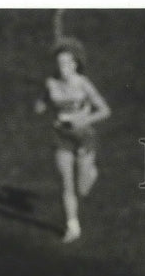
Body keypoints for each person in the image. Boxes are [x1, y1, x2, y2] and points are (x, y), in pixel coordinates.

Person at [34, 38, 110, 243]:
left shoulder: (83, 84)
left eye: (67, 63)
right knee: (65, 183)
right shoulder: (51, 83)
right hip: (61, 137)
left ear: (75, 64)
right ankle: (72, 226)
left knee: (82, 189)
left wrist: (83, 119)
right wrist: (44, 104)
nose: (63, 68)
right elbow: (40, 105)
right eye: (59, 64)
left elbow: (105, 110)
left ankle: (91, 173)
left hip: (84, 136)